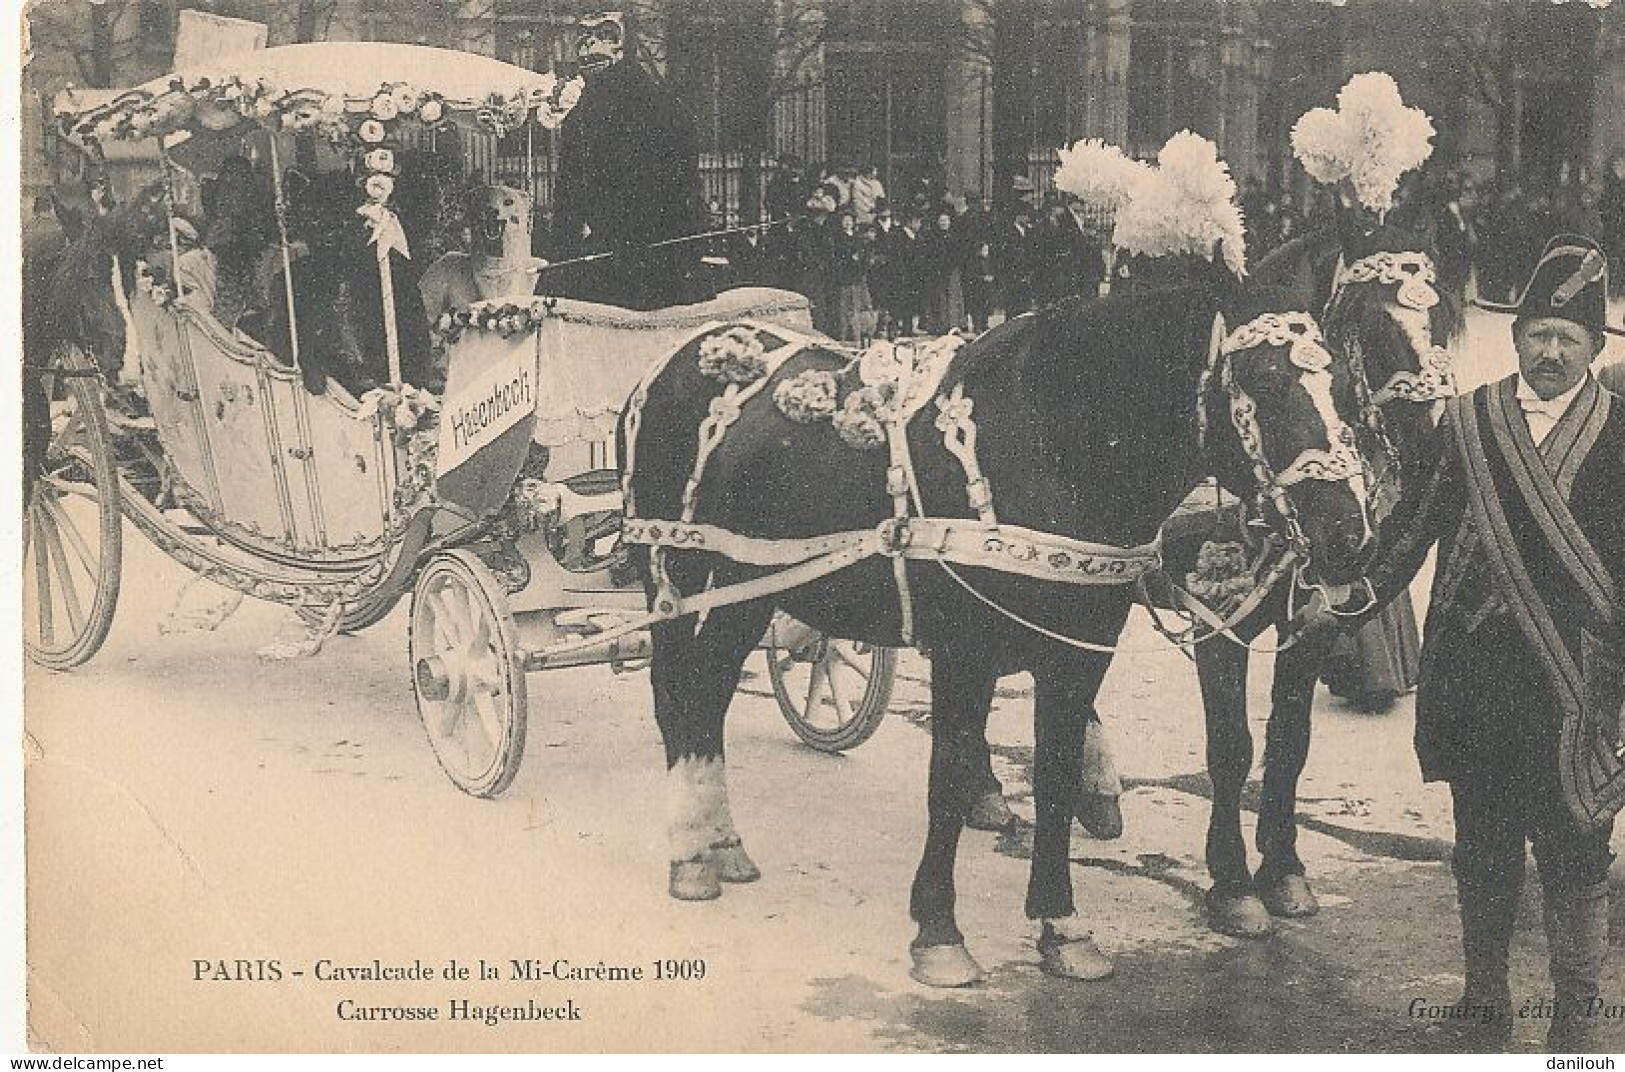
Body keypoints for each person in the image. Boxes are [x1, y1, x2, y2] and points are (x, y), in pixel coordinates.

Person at [1299, 234, 1625, 1052]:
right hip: (1473, 680)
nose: (1549, 352)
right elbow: (1413, 527)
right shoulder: (1471, 419)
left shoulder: (1621, 432)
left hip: (1574, 687)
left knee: (1574, 857)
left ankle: (1578, 1025)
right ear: (1514, 337)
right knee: (1480, 846)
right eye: (1536, 335)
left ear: (1593, 345)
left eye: (1567, 338)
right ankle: (1484, 1001)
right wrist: (1353, 593)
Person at [550, 10, 710, 310]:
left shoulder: (655, 107)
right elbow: (569, 200)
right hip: (634, 261)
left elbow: (680, 192)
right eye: (583, 38)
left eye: (606, 36)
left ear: (625, 45)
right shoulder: (582, 112)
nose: (589, 46)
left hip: (643, 263)